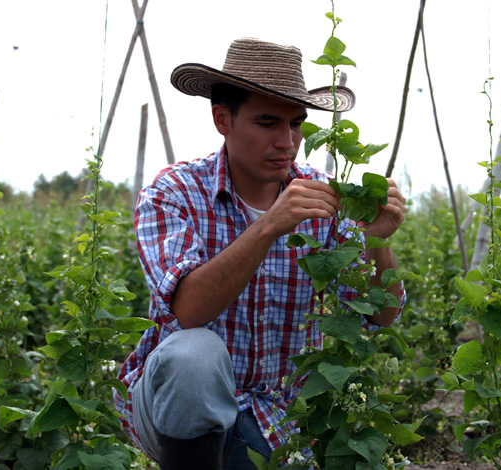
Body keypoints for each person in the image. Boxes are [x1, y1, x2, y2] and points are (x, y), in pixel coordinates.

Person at [114, 37, 408, 470]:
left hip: (283, 413)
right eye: (267, 123)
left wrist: (377, 239)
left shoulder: (321, 198)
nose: (287, 141)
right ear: (222, 119)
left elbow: (382, 315)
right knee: (194, 355)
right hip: (175, 409)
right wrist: (269, 226)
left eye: (297, 124)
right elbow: (189, 311)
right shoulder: (174, 192)